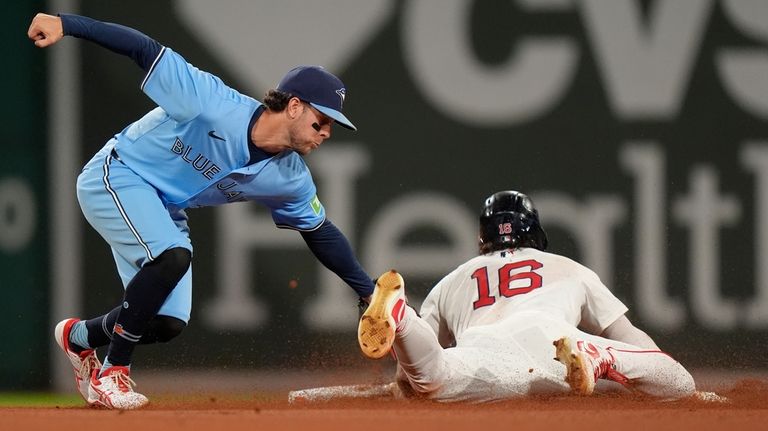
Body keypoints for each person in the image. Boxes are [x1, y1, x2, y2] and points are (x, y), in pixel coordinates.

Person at [28, 13, 374, 409]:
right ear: (294, 106)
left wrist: (369, 291)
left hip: (164, 206)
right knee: (173, 256)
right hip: (117, 174)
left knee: (166, 322)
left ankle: (78, 338)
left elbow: (320, 232)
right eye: (322, 120)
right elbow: (143, 48)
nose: (326, 132)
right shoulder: (210, 103)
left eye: (332, 126)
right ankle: (113, 373)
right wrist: (66, 24)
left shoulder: (290, 177)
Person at [358, 190, 696, 402]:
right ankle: (600, 357)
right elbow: (631, 337)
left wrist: (412, 377)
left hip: (484, 351)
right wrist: (647, 366)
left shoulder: (452, 280)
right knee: (680, 384)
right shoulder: (569, 268)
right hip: (555, 340)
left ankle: (402, 318)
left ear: (482, 239)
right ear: (535, 232)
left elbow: (407, 378)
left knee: (435, 378)